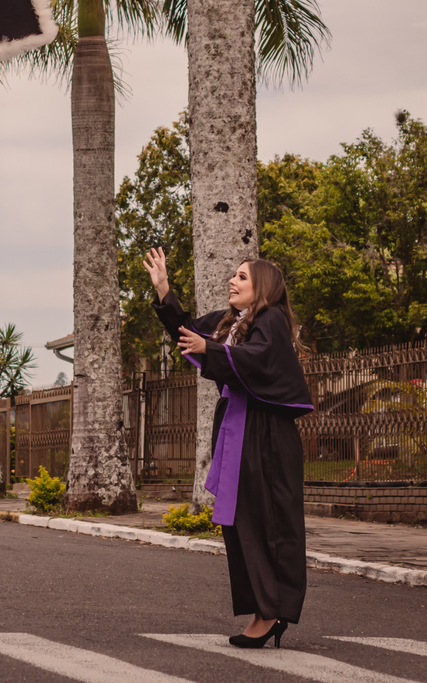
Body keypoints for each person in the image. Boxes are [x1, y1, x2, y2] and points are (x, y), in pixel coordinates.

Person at [144, 249, 312, 649]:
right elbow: (189, 333)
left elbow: (256, 361)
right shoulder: (232, 322)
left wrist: (211, 351)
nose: (232, 282)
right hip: (242, 429)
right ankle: (262, 609)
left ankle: (271, 611)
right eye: (233, 276)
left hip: (266, 435)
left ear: (262, 288)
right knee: (241, 522)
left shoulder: (270, 321)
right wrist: (164, 289)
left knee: (265, 521)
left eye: (241, 277)